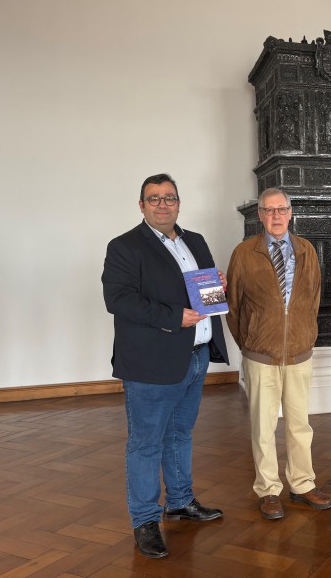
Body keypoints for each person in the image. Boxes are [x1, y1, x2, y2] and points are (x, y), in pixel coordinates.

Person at [102, 173, 229, 558]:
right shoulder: (124, 246)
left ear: (178, 203)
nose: (162, 204)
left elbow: (199, 293)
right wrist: (175, 317)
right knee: (145, 443)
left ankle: (180, 501)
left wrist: (216, 287)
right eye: (154, 198)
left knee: (180, 435)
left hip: (196, 355)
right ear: (141, 205)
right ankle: (145, 520)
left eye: (169, 197)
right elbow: (119, 300)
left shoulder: (196, 241)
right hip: (151, 362)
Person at [226, 187, 331, 520]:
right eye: (269, 210)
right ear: (260, 215)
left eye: (281, 209)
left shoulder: (306, 250)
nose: (276, 216)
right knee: (263, 427)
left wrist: (304, 335)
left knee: (300, 425)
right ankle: (269, 490)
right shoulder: (244, 253)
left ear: (290, 212)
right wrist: (250, 341)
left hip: (300, 354)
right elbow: (234, 306)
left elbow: (313, 298)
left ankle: (302, 484)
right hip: (261, 355)